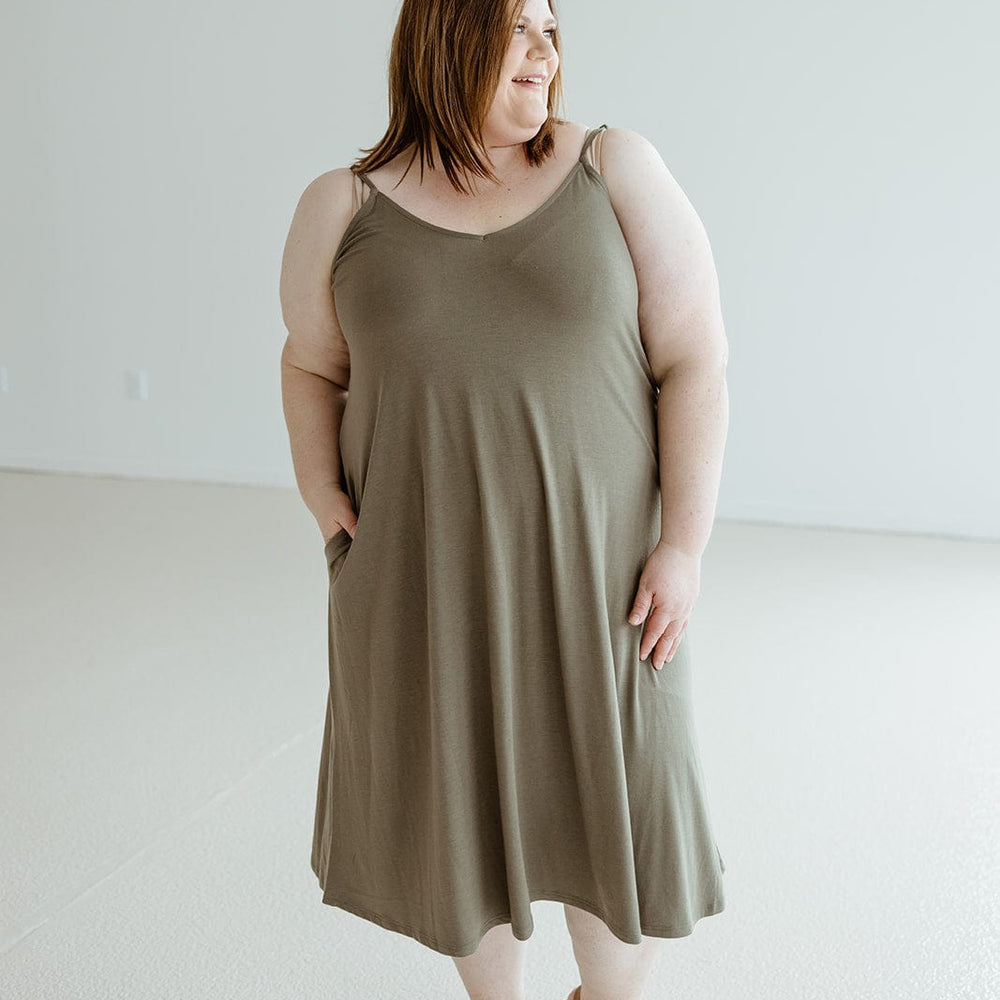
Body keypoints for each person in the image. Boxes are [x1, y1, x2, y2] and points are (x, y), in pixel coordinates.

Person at [279, 0, 730, 997]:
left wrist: (683, 547)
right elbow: (311, 365)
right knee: (459, 809)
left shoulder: (614, 167)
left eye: (552, 29)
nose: (546, 52)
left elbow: (695, 359)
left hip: (603, 575)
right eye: (518, 27)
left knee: (624, 798)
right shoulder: (344, 205)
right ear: (447, 34)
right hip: (422, 573)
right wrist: (322, 495)